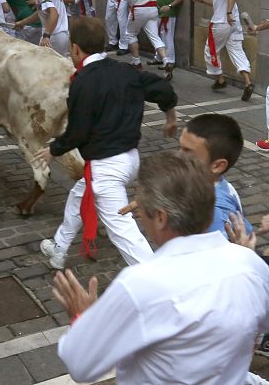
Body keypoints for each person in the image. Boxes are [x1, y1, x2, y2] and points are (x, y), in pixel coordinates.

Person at [52, 152, 269, 384]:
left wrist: (84, 318)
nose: (139, 216)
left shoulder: (139, 284)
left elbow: (81, 366)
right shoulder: (249, 263)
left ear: (161, 218)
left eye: (142, 208)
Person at [35, 17, 177, 268]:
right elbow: (161, 88)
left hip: (107, 167)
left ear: (76, 48)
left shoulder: (83, 81)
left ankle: (159, 281)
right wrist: (170, 115)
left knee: (123, 232)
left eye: (70, 48)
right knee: (78, 197)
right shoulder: (125, 70)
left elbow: (79, 131)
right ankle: (59, 247)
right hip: (129, 159)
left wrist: (53, 150)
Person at [96, 0, 172, 78]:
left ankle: (136, 62)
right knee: (155, 37)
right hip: (152, 10)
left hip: (140, 9)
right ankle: (166, 60)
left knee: (130, 34)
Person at [191, 0, 254, 101]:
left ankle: (220, 79)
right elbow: (220, 2)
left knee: (210, 50)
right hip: (233, 23)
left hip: (222, 22)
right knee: (237, 52)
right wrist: (202, 0)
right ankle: (248, 83)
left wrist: (228, 12)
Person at [178, 114, 253, 236]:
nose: (178, 156)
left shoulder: (213, 213)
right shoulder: (212, 186)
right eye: (180, 148)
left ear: (217, 166)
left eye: (188, 152)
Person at [149, 0, 183, 70]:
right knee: (157, 37)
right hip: (157, 14)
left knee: (167, 38)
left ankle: (170, 61)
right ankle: (159, 58)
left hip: (169, 16)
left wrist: (169, 6)